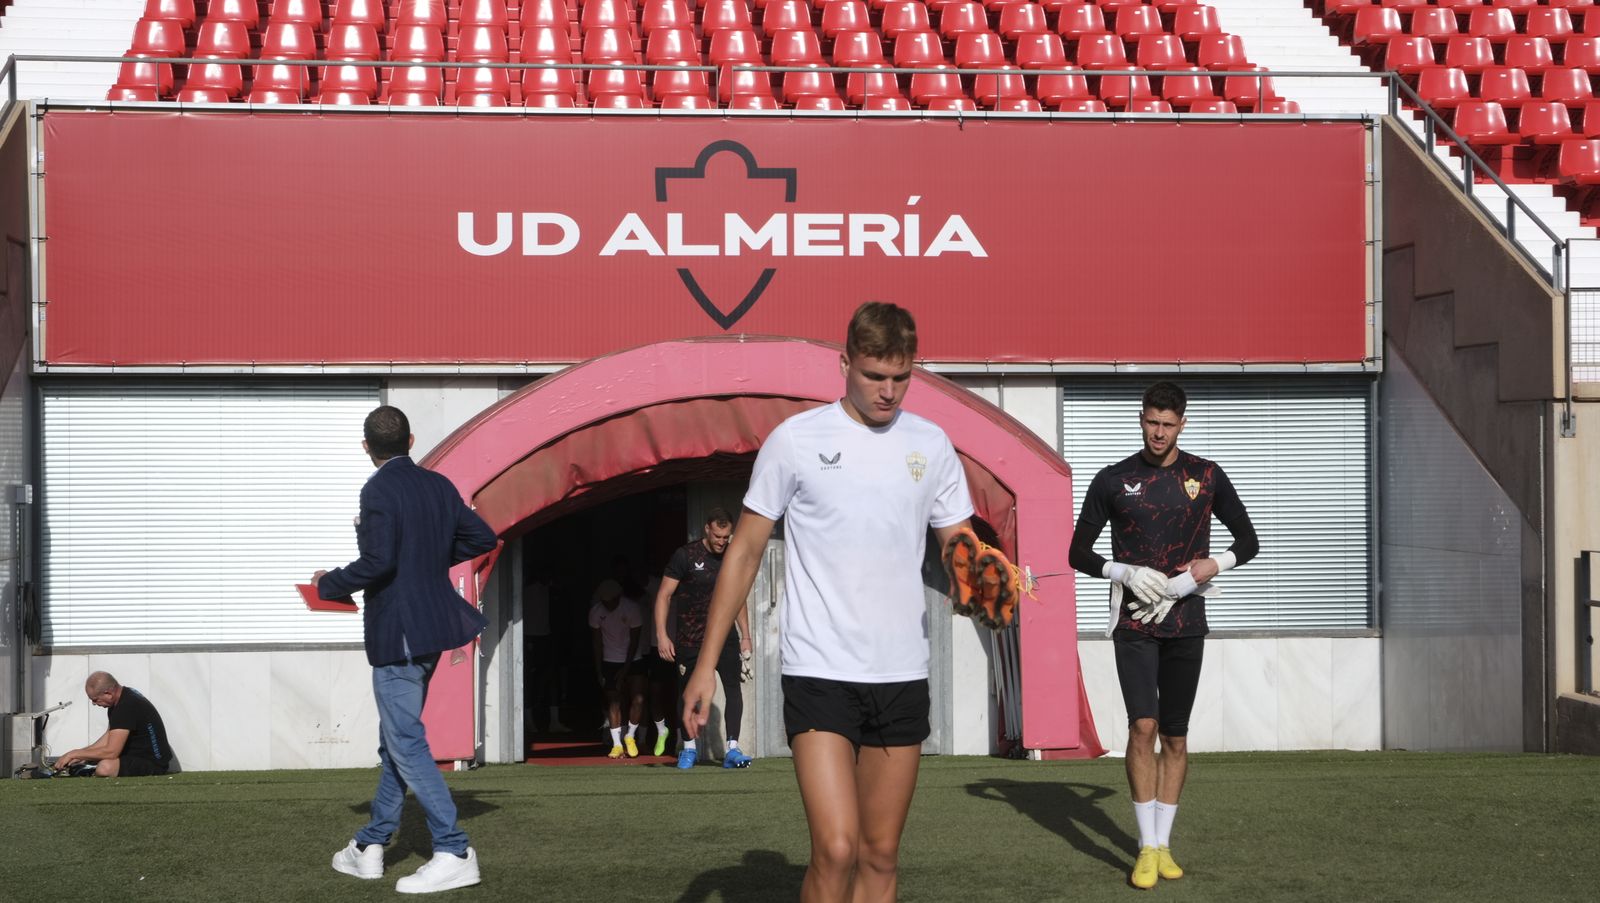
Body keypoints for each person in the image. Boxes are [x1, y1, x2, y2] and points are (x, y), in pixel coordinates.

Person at [682, 302, 975, 903]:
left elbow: (959, 544)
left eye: (901, 377)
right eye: (874, 376)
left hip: (902, 671)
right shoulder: (796, 441)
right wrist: (706, 664)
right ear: (844, 364)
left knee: (880, 855)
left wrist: (982, 581)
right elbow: (742, 552)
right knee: (837, 849)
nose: (888, 391)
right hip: (818, 670)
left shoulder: (933, 444)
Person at [1068, 381, 1259, 890]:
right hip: (1134, 623)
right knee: (1143, 729)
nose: (1158, 432)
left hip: (1186, 621)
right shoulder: (1114, 480)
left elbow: (1249, 541)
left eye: (1168, 424)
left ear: (1183, 424)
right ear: (1141, 419)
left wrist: (1208, 567)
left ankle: (1165, 844)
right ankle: (1144, 847)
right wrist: (1122, 572)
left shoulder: (1206, 476)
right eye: (1151, 421)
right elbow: (1077, 553)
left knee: (1175, 736)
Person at [314, 404, 497, 895]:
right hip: (433, 628)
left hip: (398, 629)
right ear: (411, 441)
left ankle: (454, 849)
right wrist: (429, 558)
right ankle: (370, 845)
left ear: (366, 447)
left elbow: (377, 562)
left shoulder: (377, 489)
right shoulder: (437, 485)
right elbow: (482, 536)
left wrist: (327, 584)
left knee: (406, 742)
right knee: (395, 742)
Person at [655, 508, 753, 770]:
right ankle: (688, 749)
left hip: (725, 639)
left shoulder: (733, 556)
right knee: (688, 693)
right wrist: (662, 635)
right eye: (718, 536)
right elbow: (664, 595)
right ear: (707, 530)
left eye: (726, 537)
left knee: (733, 688)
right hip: (690, 640)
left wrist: (746, 636)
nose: (722, 541)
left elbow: (738, 597)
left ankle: (732, 748)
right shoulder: (685, 555)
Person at [51, 671, 174, 777]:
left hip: (153, 763)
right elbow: (109, 736)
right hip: (136, 757)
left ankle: (89, 770)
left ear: (108, 693)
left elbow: (111, 752)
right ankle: (87, 766)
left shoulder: (126, 706)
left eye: (95, 699)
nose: (94, 703)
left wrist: (75, 753)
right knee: (95, 761)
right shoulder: (123, 698)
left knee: (105, 767)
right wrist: (82, 755)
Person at [588, 578, 648, 758]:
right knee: (614, 702)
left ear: (618, 597)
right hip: (609, 661)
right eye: (604, 601)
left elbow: (635, 640)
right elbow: (597, 643)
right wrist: (599, 670)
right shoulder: (595, 612)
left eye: (611, 600)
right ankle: (616, 745)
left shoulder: (632, 609)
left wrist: (625, 668)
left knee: (638, 699)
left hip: (634, 659)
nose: (608, 604)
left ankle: (630, 736)